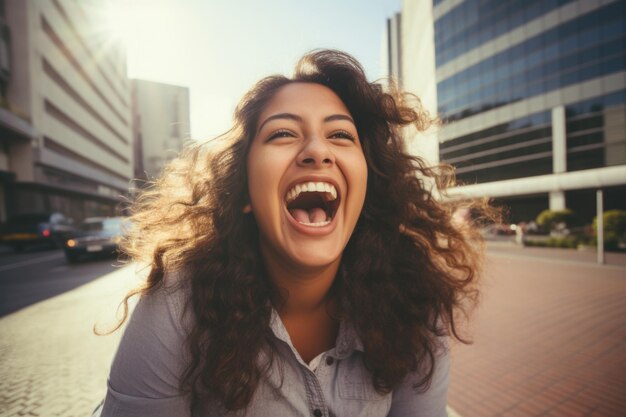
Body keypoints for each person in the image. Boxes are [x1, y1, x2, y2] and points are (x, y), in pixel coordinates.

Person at [96, 49, 485, 417]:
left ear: (367, 188)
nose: (317, 150)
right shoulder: (177, 305)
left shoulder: (416, 305)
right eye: (282, 133)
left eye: (340, 135)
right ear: (244, 190)